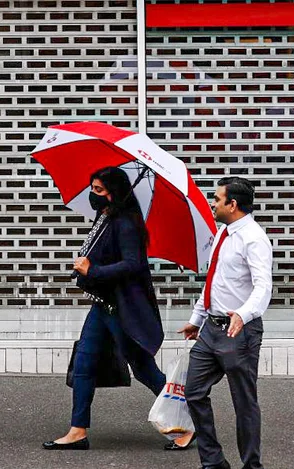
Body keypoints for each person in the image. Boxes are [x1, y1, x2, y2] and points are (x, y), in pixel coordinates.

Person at [43, 166, 188, 450]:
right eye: (92, 188)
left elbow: (133, 265)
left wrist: (92, 270)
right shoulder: (106, 216)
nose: (93, 195)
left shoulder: (126, 224)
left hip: (122, 309)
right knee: (83, 365)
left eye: (98, 190)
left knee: (144, 369)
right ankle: (78, 431)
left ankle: (184, 423)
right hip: (102, 305)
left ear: (115, 192)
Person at [177, 176, 273, 469]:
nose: (213, 203)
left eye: (217, 199)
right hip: (210, 330)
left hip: (239, 331)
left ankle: (251, 465)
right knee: (193, 392)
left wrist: (243, 315)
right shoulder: (223, 233)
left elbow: (263, 287)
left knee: (243, 403)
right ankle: (214, 462)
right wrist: (198, 317)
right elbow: (214, 281)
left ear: (233, 204)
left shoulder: (254, 238)